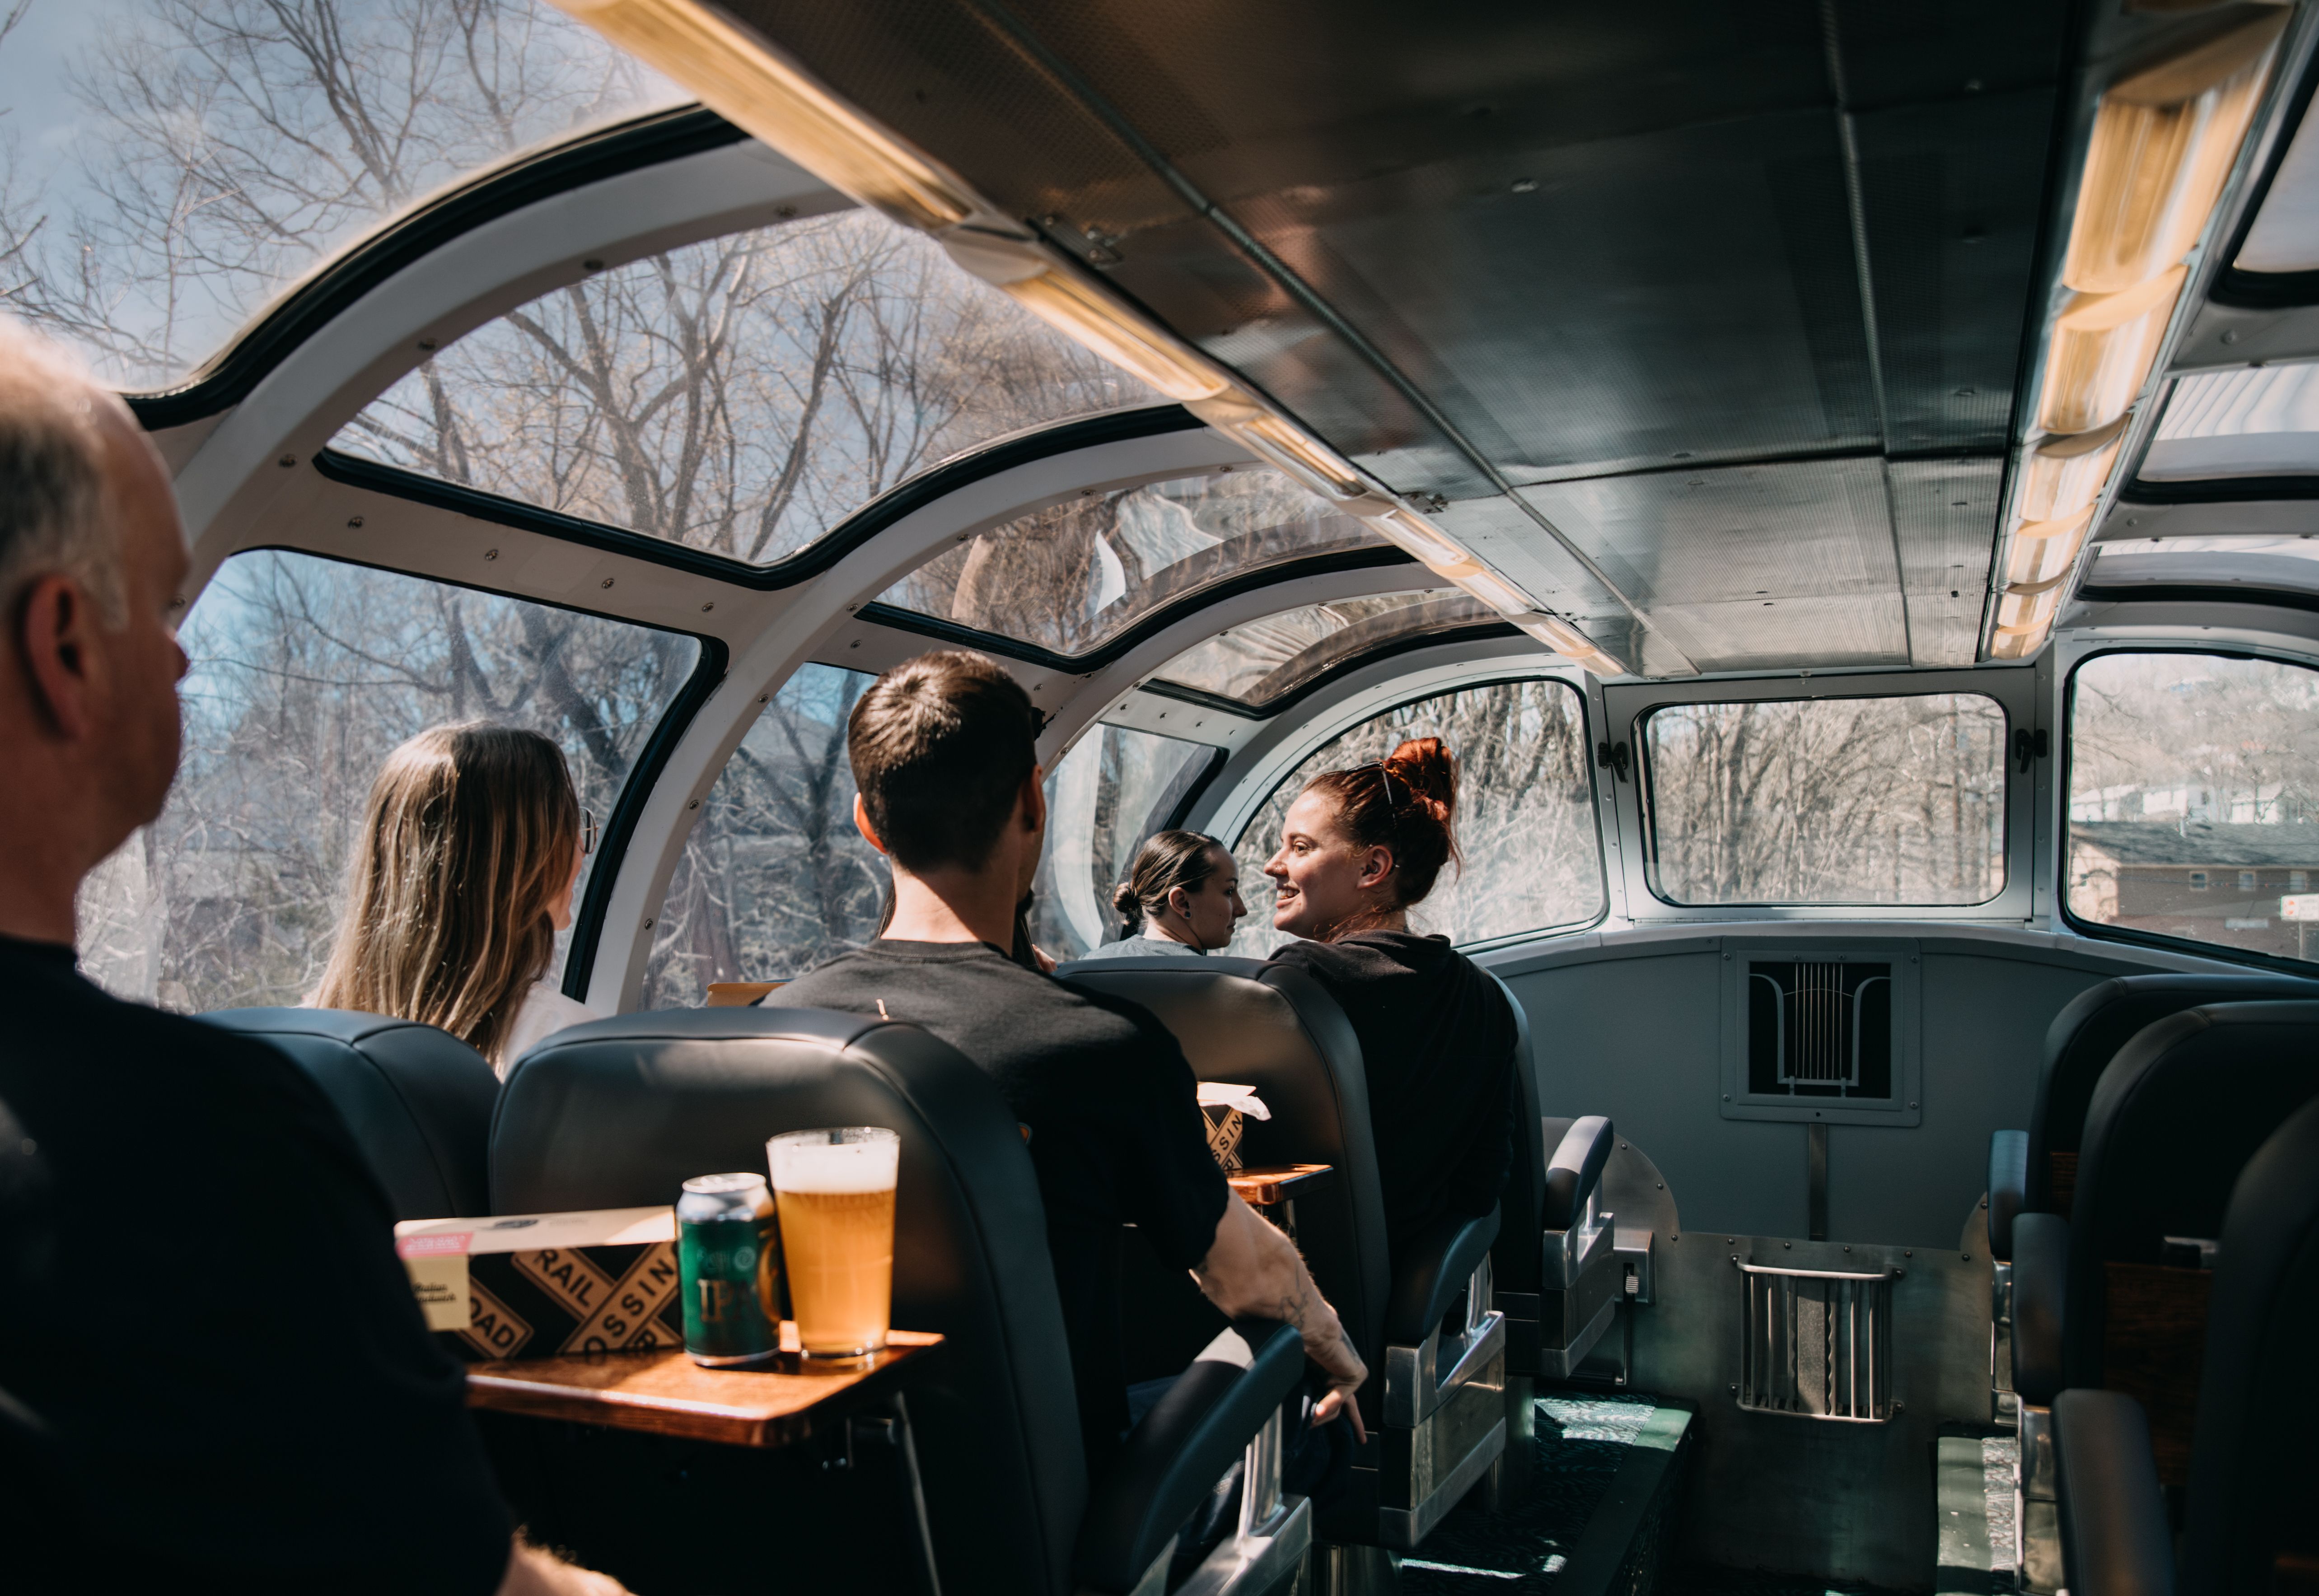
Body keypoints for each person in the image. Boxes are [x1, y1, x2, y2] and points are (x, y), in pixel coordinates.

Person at [0, 314, 627, 1594]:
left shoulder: (271, 1078)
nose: (184, 656)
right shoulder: (201, 1140)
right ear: (63, 645)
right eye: (167, 608)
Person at [762, 650, 1367, 1472]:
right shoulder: (1100, 1046)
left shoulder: (778, 1029)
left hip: (843, 1492)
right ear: (1032, 800)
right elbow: (1247, 1273)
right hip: (1060, 1494)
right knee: (1317, 1415)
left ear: (867, 823)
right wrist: (1333, 1347)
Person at [1262, 737, 1516, 1271]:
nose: (1272, 865)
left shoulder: (1301, 983)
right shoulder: (1484, 995)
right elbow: (1481, 1187)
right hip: (1416, 1286)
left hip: (1311, 1287)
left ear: (1372, 867)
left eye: (1300, 847)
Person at [312, 723, 602, 1076]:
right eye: (570, 827)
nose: (582, 853)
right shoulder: (572, 1049)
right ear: (521, 867)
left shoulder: (296, 1045)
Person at [1086, 830, 1246, 957]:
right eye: (1229, 891)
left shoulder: (1088, 965)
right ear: (1182, 903)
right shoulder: (1220, 985)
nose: (1242, 910)